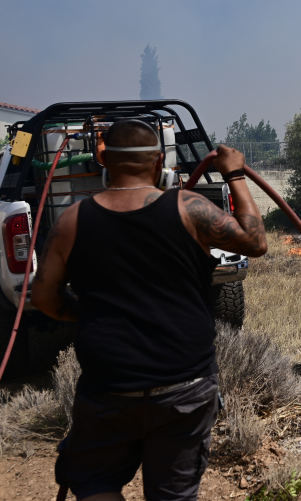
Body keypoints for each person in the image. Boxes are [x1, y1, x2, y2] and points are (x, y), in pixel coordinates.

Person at [31, 119, 267, 501]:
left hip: (109, 390)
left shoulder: (71, 221)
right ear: (159, 162)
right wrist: (235, 174)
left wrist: (85, 314)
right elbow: (255, 242)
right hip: (184, 388)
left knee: (95, 485)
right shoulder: (190, 208)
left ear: (103, 160)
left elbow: (43, 297)